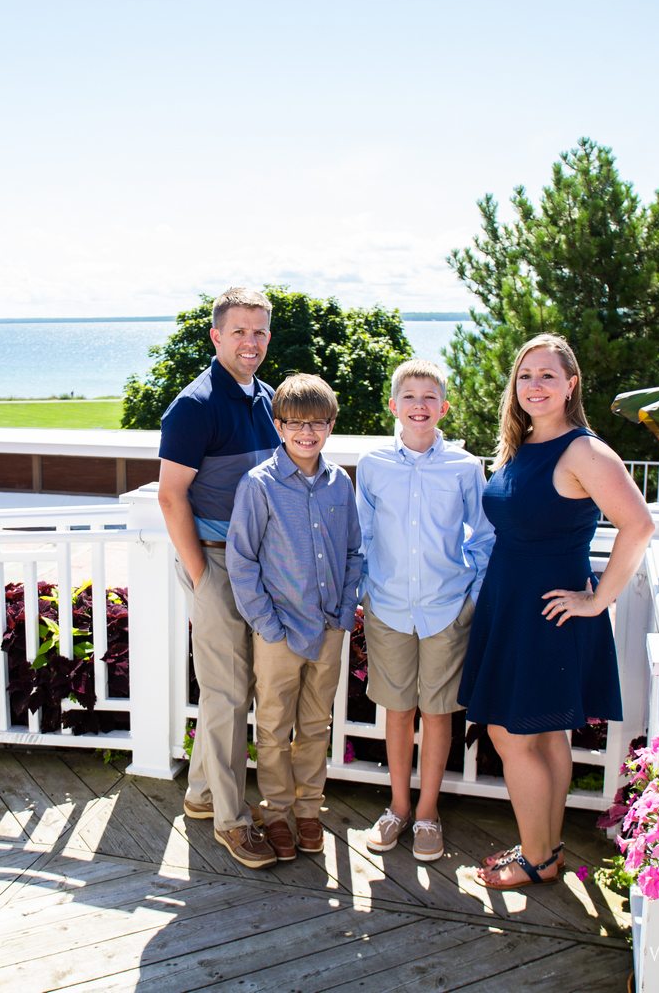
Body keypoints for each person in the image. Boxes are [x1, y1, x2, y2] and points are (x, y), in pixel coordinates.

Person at [459, 333, 654, 890]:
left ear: (571, 385)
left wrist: (597, 599)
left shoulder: (584, 451)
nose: (534, 386)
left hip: (548, 612)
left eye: (547, 375)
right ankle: (543, 851)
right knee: (543, 737)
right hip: (513, 603)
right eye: (525, 376)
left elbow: (638, 525)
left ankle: (537, 858)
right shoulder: (524, 445)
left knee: (511, 734)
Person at [157, 286, 281, 870]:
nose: (250, 342)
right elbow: (170, 495)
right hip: (215, 563)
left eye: (259, 332)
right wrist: (202, 574)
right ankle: (233, 822)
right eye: (239, 332)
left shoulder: (267, 399)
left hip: (259, 566)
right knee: (231, 691)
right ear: (216, 336)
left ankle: (203, 794)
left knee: (228, 688)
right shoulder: (195, 405)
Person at [355, 360, 493, 862]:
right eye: (409, 396)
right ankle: (397, 807)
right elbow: (362, 535)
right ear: (394, 406)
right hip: (388, 607)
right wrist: (365, 591)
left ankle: (429, 812)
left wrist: (471, 597)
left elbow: (484, 534)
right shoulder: (372, 466)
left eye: (429, 397)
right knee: (397, 710)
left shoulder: (464, 466)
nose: (419, 405)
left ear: (444, 408)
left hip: (446, 608)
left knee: (437, 714)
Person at [226, 374, 364, 862]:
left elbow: (353, 551)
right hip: (279, 630)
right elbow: (242, 561)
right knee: (273, 725)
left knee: (315, 725)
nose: (308, 433)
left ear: (331, 426)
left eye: (318, 424)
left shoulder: (339, 483)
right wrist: (267, 625)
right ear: (279, 425)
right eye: (296, 423)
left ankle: (309, 810)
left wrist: (344, 615)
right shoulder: (259, 485)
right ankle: (277, 812)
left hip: (328, 628)